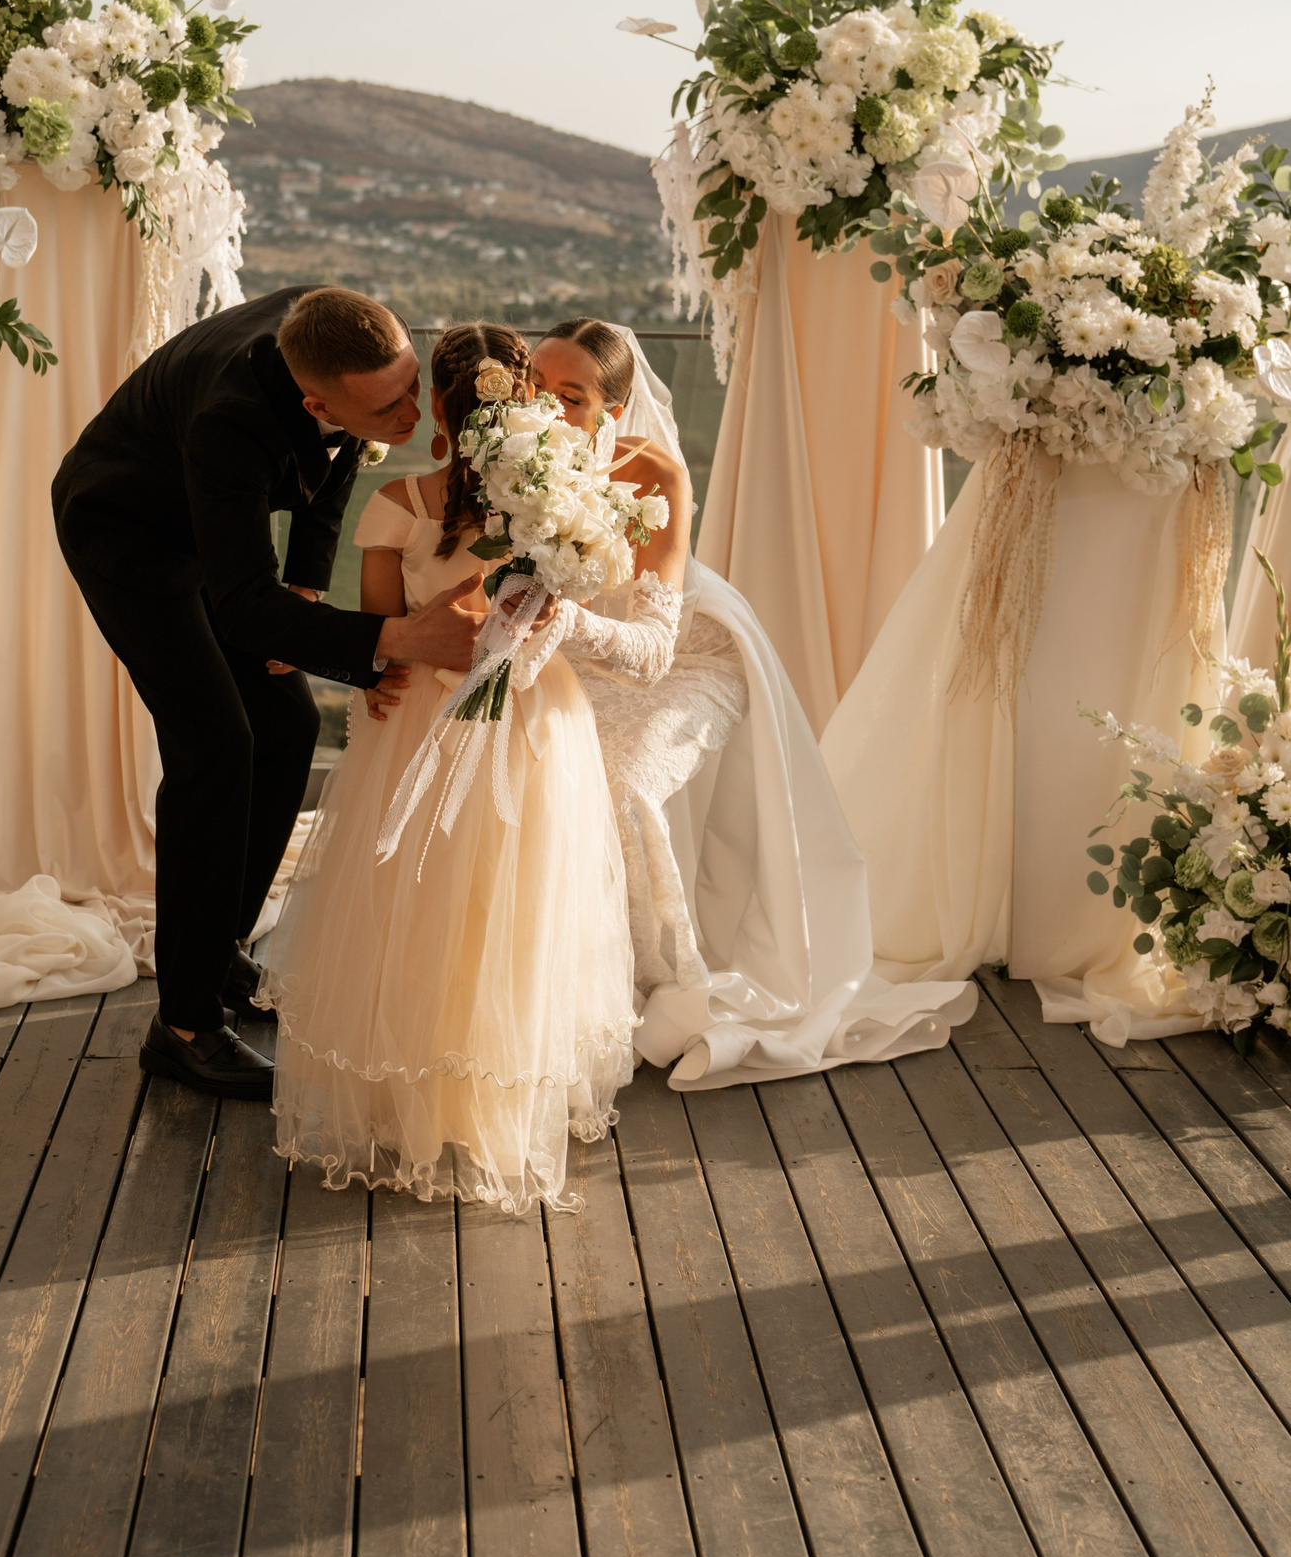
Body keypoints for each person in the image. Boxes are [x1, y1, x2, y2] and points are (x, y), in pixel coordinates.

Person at [255, 323, 680, 1213]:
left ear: (438, 418)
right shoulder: (538, 498)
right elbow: (394, 642)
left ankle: (420, 1099)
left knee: (416, 908)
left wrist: (379, 692)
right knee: (499, 913)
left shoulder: (406, 502)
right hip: (524, 724)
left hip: (433, 723)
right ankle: (473, 1103)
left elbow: (386, 643)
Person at [52, 284, 485, 1100]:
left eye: (411, 386)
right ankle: (183, 1028)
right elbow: (243, 603)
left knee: (285, 724)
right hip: (128, 533)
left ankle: (217, 952)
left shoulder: (340, 333)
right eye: (388, 407)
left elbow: (344, 456)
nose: (413, 416)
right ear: (315, 400)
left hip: (219, 530)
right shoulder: (232, 422)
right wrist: (397, 639)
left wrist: (309, 586)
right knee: (215, 748)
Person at [530, 320, 977, 1085]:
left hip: (684, 653)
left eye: (571, 397)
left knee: (625, 784)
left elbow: (654, 641)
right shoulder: (516, 463)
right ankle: (557, 968)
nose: (548, 410)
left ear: (615, 408)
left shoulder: (655, 474)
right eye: (536, 388)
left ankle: (659, 982)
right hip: (577, 651)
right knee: (541, 767)